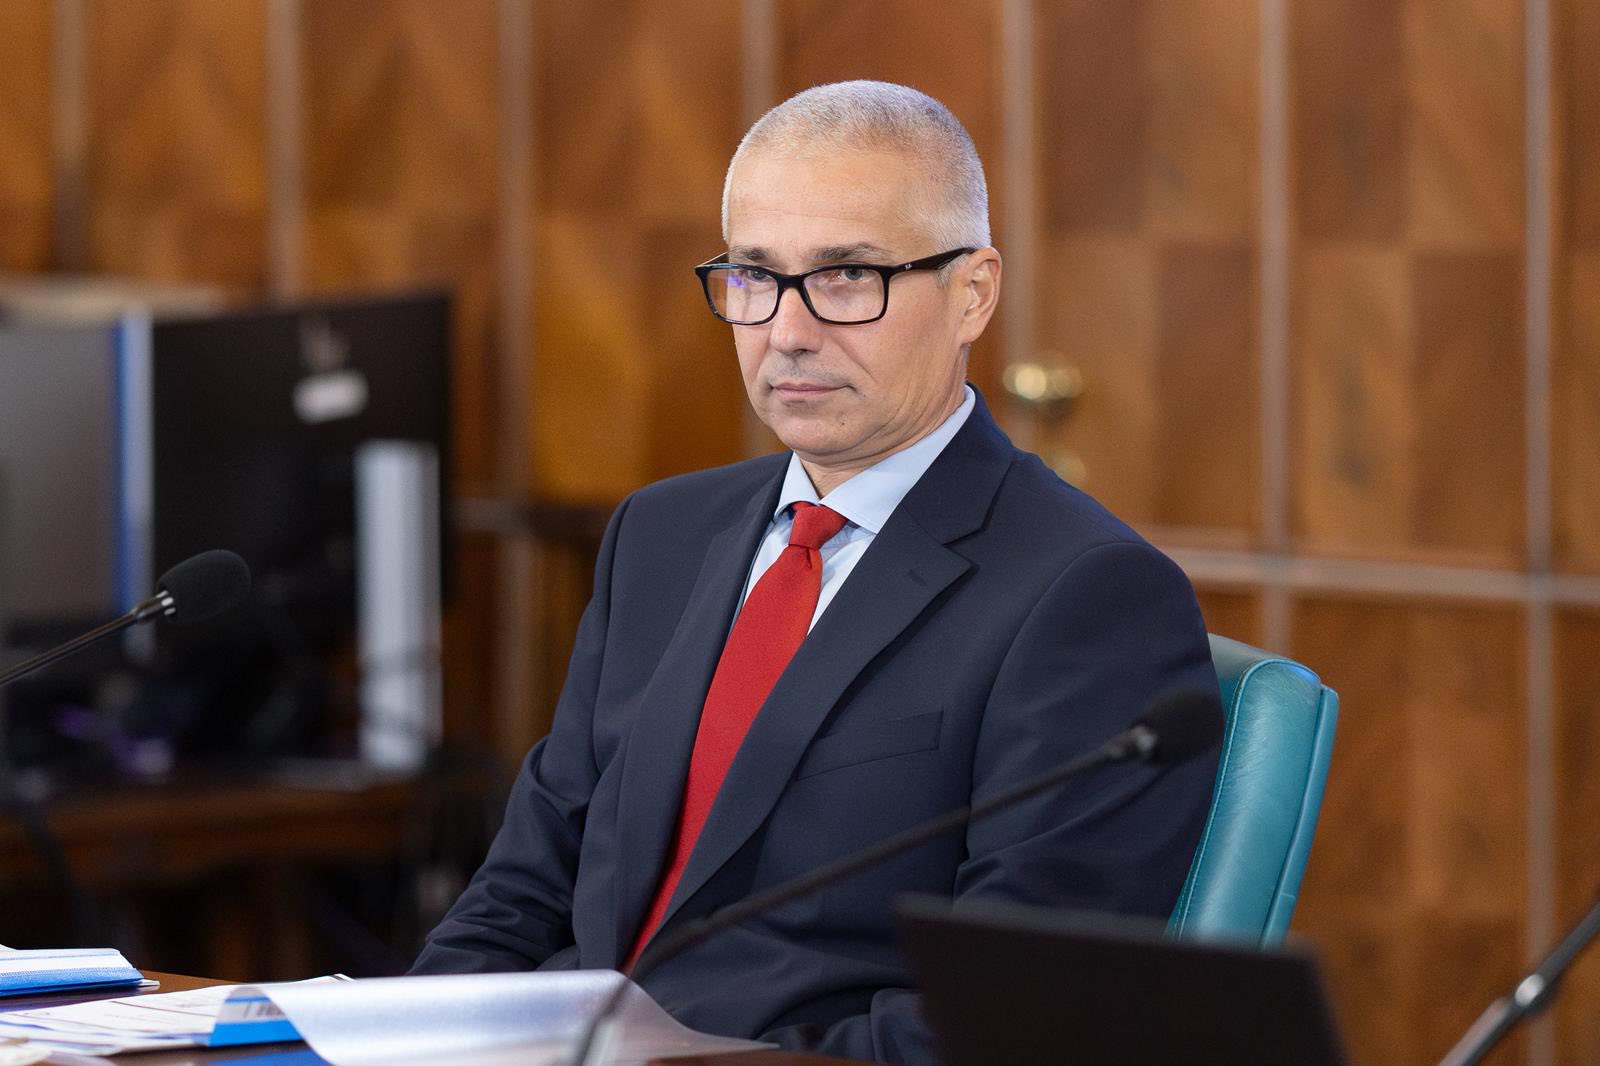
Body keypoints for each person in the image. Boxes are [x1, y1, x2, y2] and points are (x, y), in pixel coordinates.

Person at [413, 80, 1220, 1064]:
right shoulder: (660, 534)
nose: (787, 332)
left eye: (845, 277)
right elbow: (523, 889)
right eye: (754, 277)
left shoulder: (1089, 595)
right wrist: (398, 1039)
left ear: (972, 294)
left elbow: (1011, 1018)